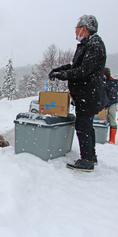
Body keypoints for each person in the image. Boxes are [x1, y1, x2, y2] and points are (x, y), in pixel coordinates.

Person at [49, 15, 107, 172]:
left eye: (76, 28)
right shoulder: (87, 44)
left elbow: (83, 70)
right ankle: (91, 157)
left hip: (89, 94)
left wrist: (63, 75)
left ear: (84, 29)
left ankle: (87, 159)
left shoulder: (94, 45)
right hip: (86, 94)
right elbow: (75, 65)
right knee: (86, 126)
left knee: (83, 126)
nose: (75, 31)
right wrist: (60, 69)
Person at [103, 68, 118, 144]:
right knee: (102, 121)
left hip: (111, 103)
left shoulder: (112, 83)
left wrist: (106, 104)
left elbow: (111, 95)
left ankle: (112, 139)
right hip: (107, 103)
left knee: (111, 119)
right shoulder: (106, 82)